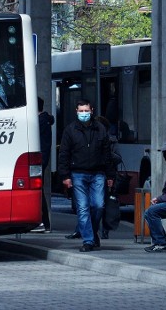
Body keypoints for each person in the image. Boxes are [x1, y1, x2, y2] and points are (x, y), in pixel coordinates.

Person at [58, 99, 114, 252]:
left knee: (98, 205)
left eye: (86, 111)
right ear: (76, 111)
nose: (84, 113)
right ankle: (88, 240)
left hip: (98, 173)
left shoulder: (100, 129)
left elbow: (107, 154)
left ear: (92, 110)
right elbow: (64, 154)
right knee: (83, 208)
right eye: (81, 111)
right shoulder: (70, 130)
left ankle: (92, 232)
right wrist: (65, 176)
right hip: (78, 174)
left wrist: (110, 176)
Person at [31, 97, 54, 233]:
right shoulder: (44, 121)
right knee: (39, 191)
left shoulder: (40, 122)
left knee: (38, 191)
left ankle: (43, 222)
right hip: (40, 161)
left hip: (38, 161)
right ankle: (44, 222)